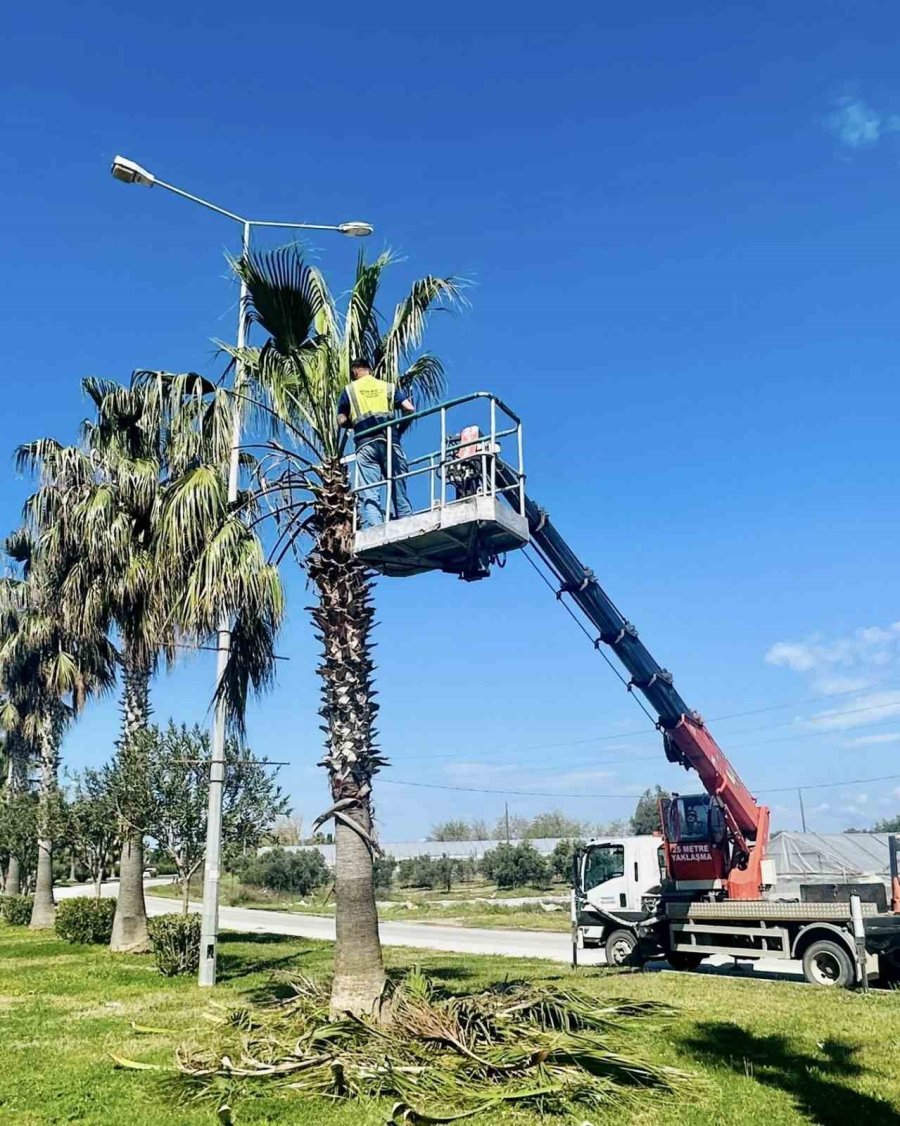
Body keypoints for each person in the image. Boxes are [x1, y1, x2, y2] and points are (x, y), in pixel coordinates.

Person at [337, 358, 416, 529]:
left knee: (371, 493)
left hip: (365, 444)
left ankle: (377, 529)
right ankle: (408, 525)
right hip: (390, 441)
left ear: (355, 372)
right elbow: (409, 408)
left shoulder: (349, 391)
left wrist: (354, 424)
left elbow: (341, 420)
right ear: (369, 369)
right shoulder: (387, 387)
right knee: (398, 488)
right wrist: (399, 431)